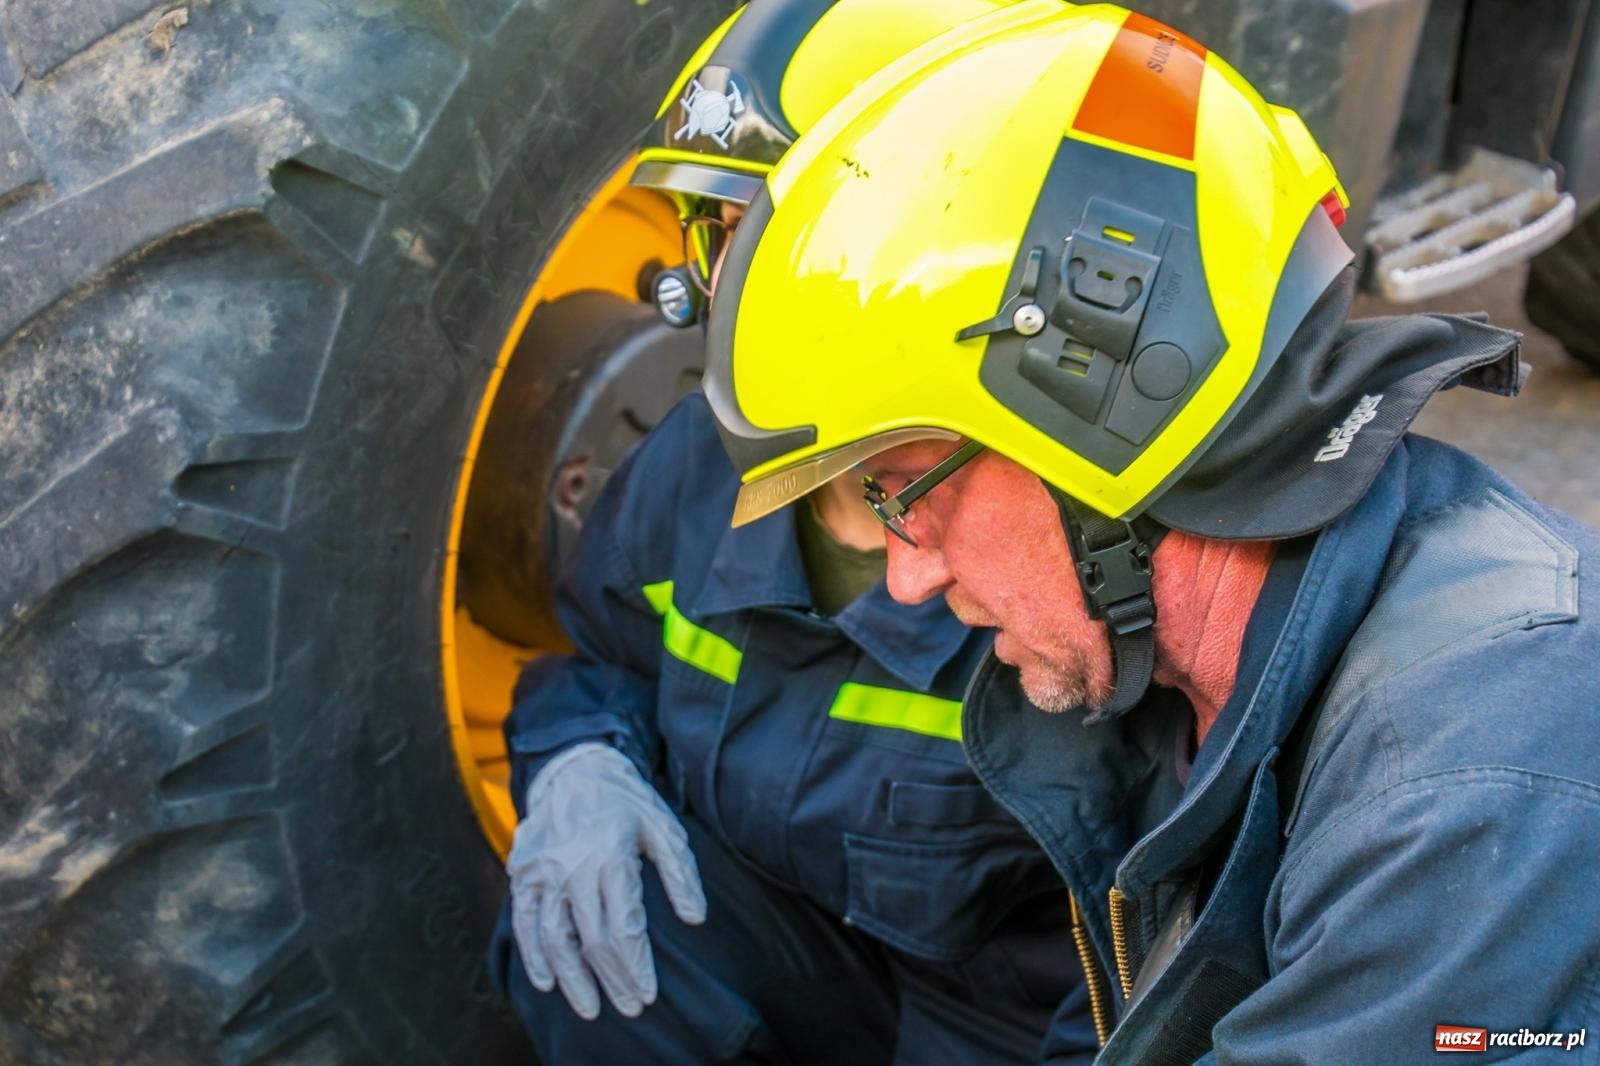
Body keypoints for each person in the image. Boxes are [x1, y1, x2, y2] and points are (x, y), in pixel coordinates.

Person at [703, 3, 1600, 1062]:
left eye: (908, 492)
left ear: (1108, 434)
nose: (906, 576)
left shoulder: (1471, 789)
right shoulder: (1185, 692)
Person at [486, 3, 1097, 1062]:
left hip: (1000, 1026)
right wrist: (580, 760)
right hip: (800, 955)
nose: (707, 289)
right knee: (598, 934)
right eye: (709, 234)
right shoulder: (692, 467)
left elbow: (1145, 950)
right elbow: (604, 660)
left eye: (754, 240)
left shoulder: (1057, 535)